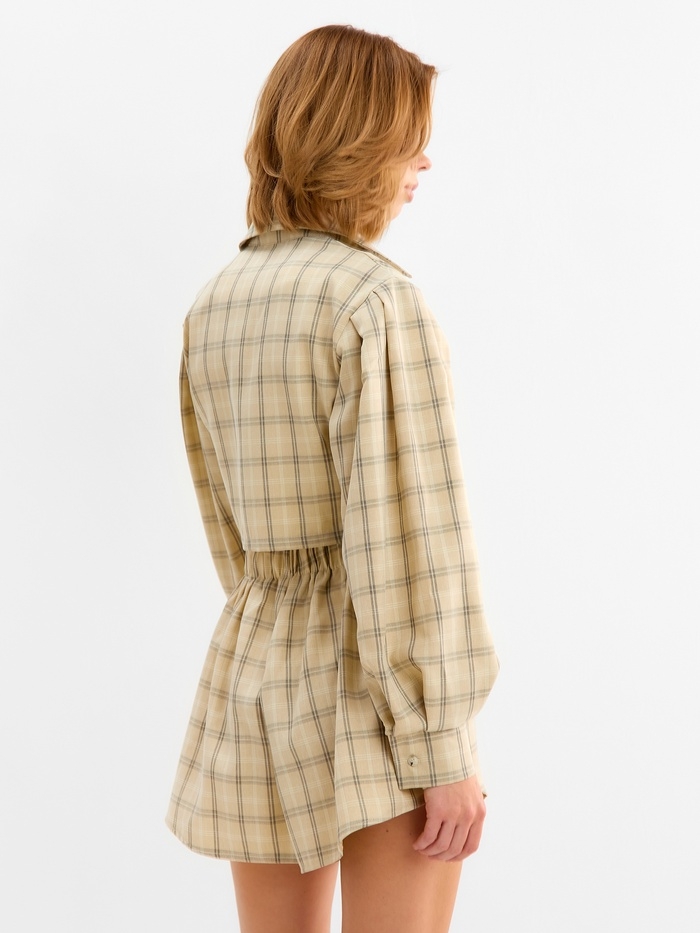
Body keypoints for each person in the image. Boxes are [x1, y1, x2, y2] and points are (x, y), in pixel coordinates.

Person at [166, 24, 499, 933]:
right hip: (372, 698)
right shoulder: (376, 302)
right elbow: (410, 537)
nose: (423, 161)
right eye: (409, 139)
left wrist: (279, 614)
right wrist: (441, 743)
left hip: (255, 669)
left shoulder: (216, 303)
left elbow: (225, 525)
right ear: (360, 143)